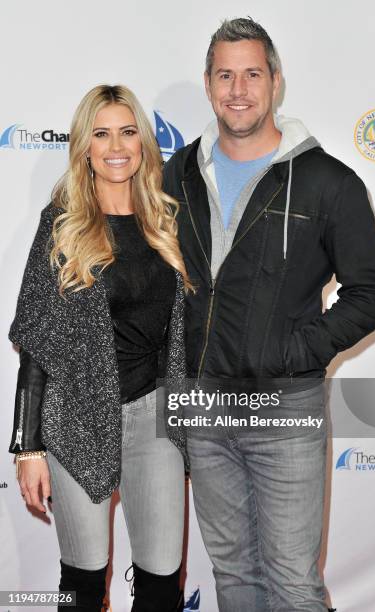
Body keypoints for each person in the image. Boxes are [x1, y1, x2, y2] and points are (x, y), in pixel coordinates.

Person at [163, 17, 375, 612]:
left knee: (293, 583)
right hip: (204, 405)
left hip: (286, 407)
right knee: (234, 574)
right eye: (224, 75)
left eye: (252, 74)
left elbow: (373, 293)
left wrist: (294, 351)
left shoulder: (328, 181)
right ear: (209, 83)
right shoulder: (175, 176)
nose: (237, 89)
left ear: (275, 82)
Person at [8, 84, 190, 612]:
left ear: (144, 144)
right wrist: (28, 445)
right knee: (83, 585)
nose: (116, 145)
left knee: (161, 584)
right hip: (77, 418)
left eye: (128, 131)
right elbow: (37, 341)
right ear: (84, 146)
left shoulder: (168, 223)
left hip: (156, 420)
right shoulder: (61, 225)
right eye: (102, 132)